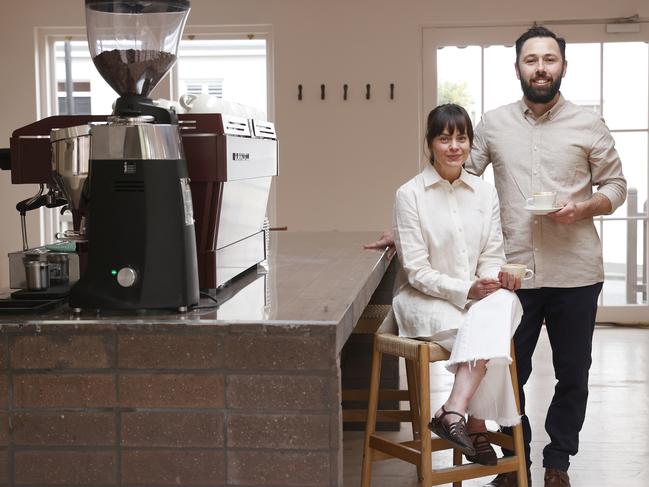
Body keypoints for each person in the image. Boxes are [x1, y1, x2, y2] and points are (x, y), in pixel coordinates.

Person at [366, 27, 627, 487]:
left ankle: (557, 463)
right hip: (512, 274)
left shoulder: (590, 125)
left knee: (573, 375)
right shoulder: (493, 123)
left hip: (576, 271)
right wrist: (409, 228)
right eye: (532, 60)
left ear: (563, 66)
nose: (541, 68)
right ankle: (515, 463)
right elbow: (456, 175)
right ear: (519, 69)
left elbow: (616, 187)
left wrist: (583, 207)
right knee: (507, 371)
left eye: (549, 59)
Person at [392, 102, 524, 466]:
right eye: (445, 138)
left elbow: (493, 252)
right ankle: (477, 426)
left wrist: (491, 280)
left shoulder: (484, 193)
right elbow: (416, 271)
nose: (454, 146)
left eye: (462, 138)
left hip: (480, 300)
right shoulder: (410, 195)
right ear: (430, 143)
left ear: (470, 143)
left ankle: (454, 410)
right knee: (490, 333)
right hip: (425, 300)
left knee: (504, 306)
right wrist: (466, 290)